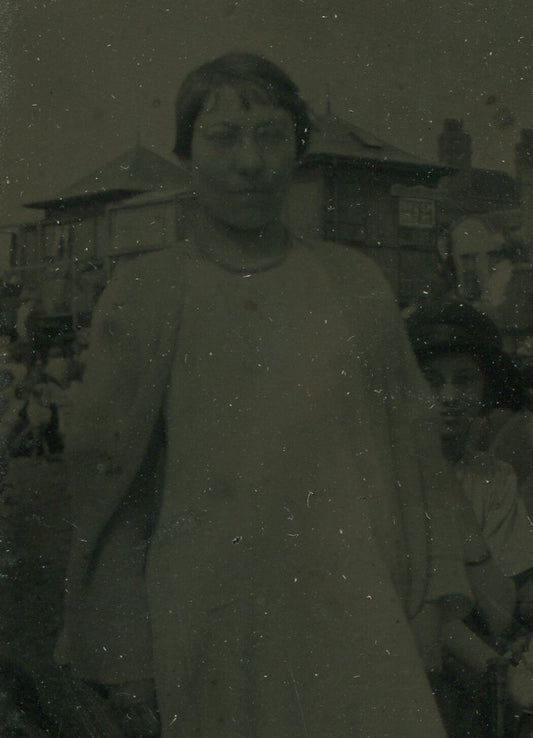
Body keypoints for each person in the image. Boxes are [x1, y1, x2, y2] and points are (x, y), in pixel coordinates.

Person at [56, 53, 473, 738]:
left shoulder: (355, 287)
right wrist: (122, 649)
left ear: (297, 148)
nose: (249, 161)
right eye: (222, 138)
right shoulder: (150, 293)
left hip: (352, 611)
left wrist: (431, 595)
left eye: (270, 135)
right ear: (186, 154)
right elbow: (106, 481)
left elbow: (415, 454)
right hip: (210, 616)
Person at [407, 301, 533, 735]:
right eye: (432, 380)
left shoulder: (492, 478)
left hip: (479, 671)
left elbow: (499, 612)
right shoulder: (387, 477)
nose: (449, 398)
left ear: (484, 390)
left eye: (465, 381)